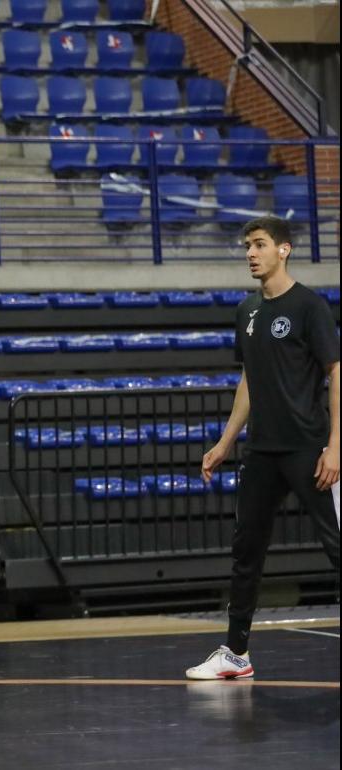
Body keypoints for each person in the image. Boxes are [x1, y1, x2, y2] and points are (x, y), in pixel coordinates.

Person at [189, 215, 339, 680]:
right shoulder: (247, 311)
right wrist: (225, 441)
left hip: (309, 449)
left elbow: (337, 375)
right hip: (262, 453)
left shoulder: (310, 307)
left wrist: (335, 446)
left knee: (338, 547)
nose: (250, 254)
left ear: (284, 249)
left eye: (258, 245)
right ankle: (236, 654)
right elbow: (249, 382)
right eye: (246, 246)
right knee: (246, 551)